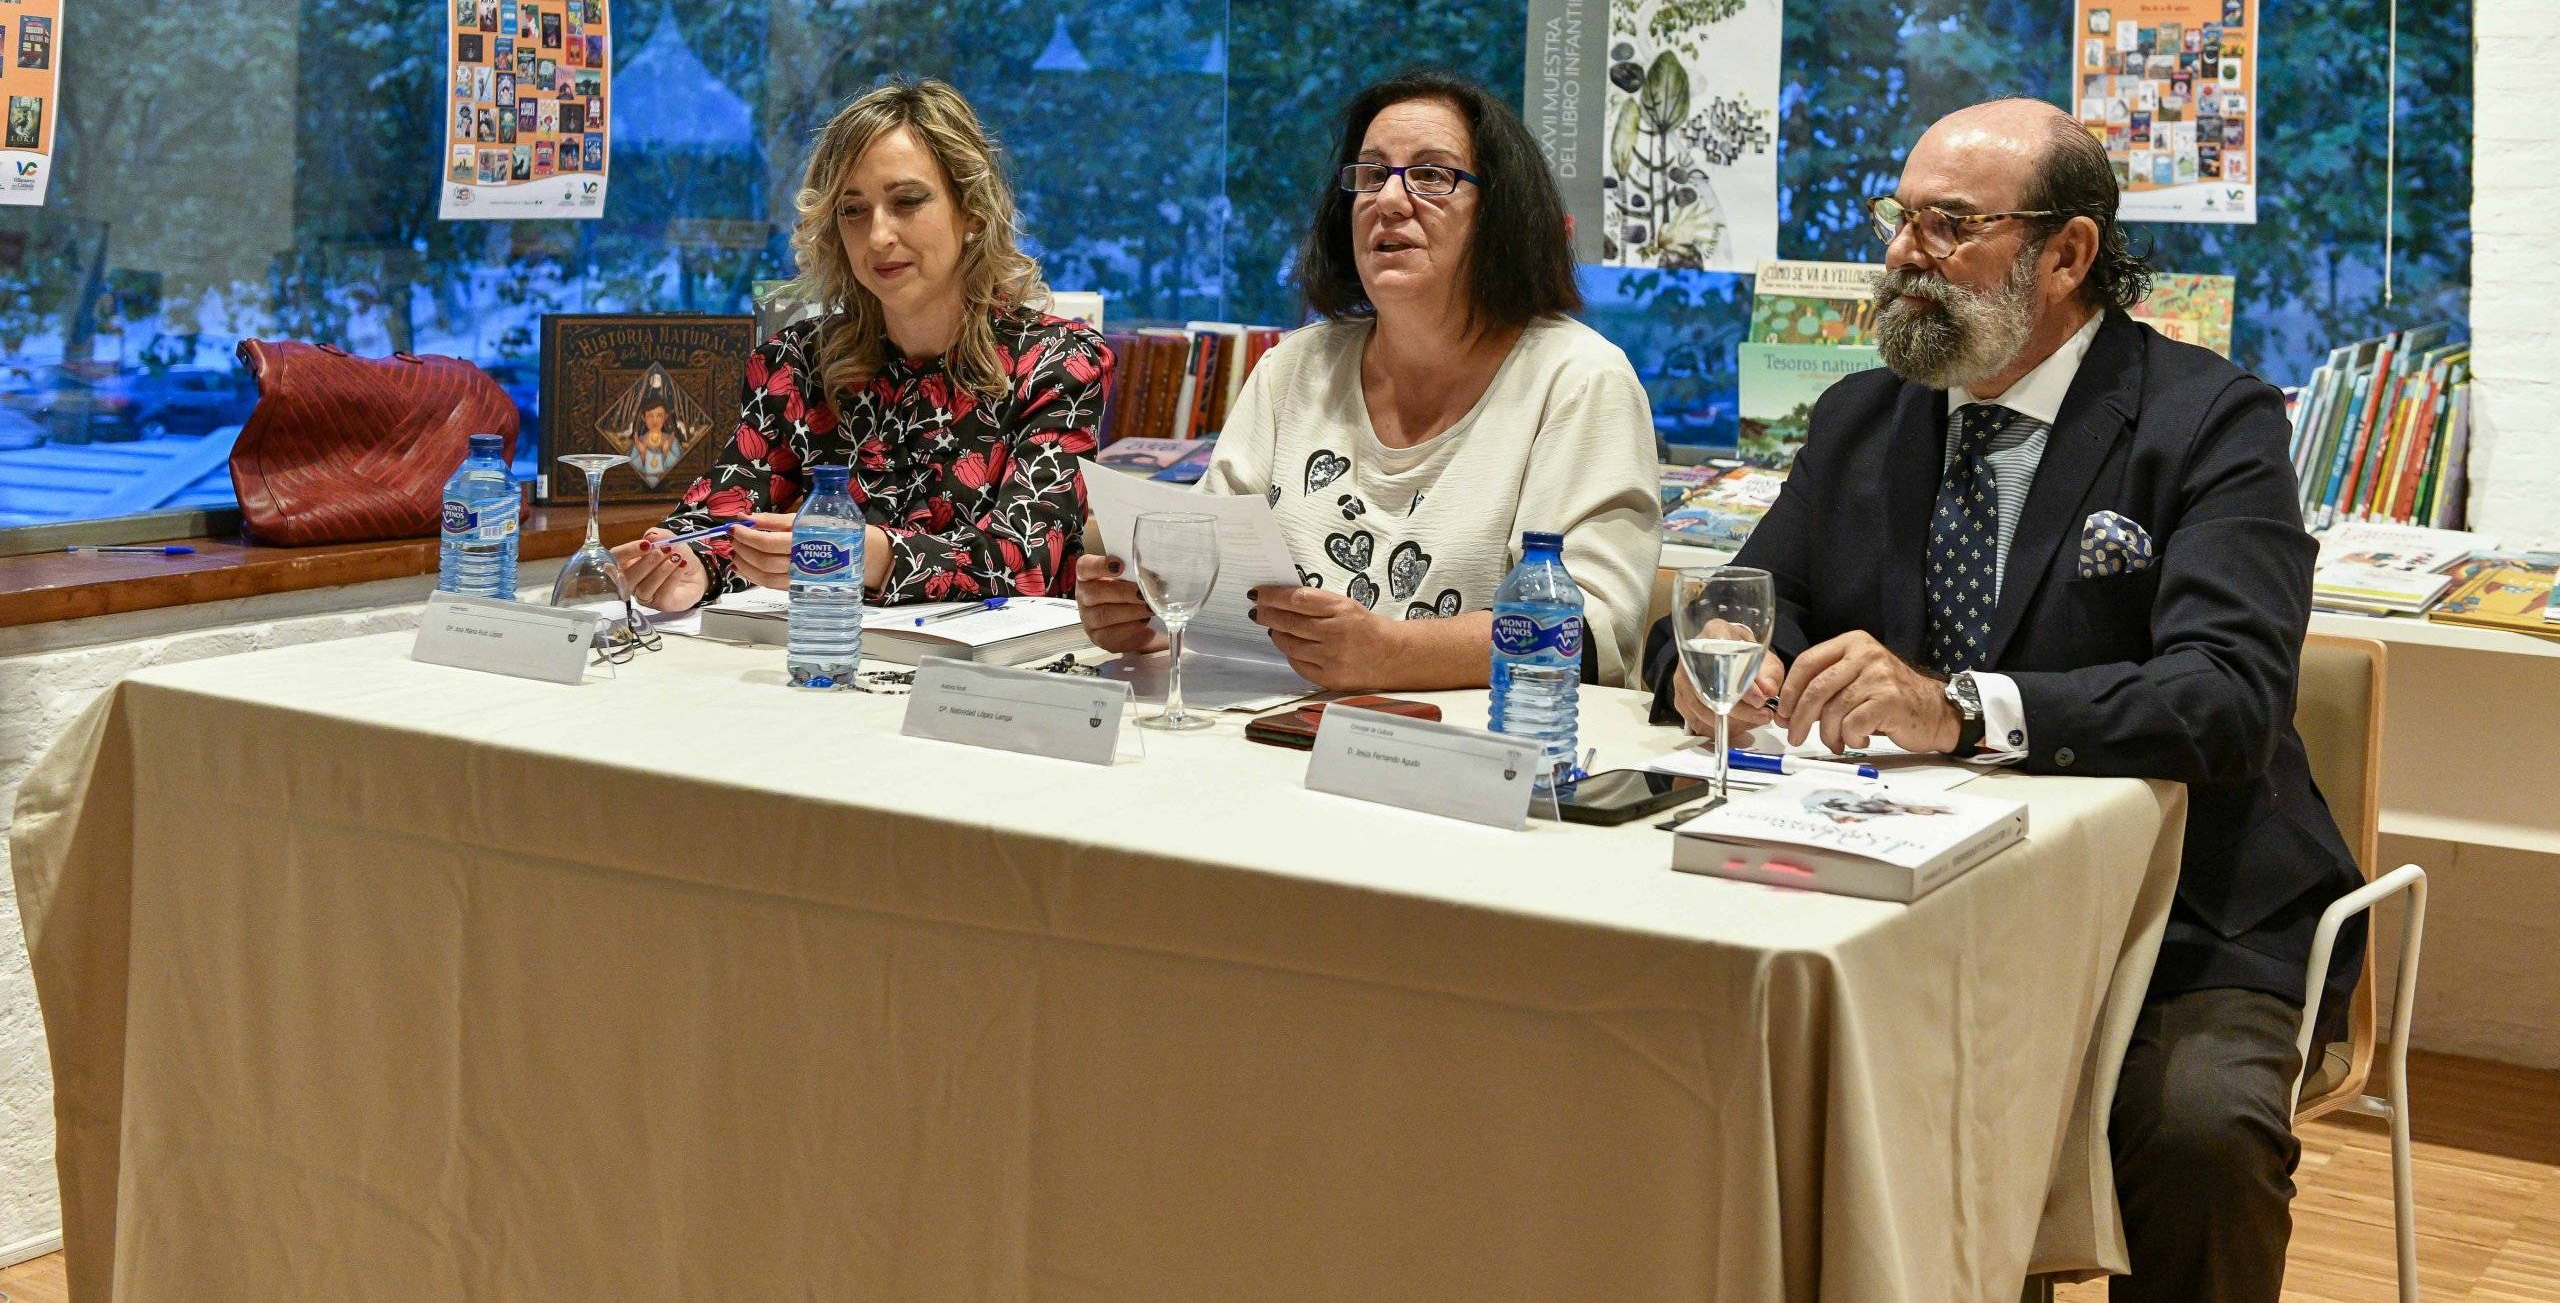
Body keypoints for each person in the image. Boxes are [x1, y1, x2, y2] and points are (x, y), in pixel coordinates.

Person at [1643, 97, 2361, 1303]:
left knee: (2198, 1134)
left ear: (2067, 253)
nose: (1901, 255)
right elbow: (1741, 596)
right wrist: (1722, 653)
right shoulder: (1864, 415)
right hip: (1916, 903)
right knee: (1729, 1063)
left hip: (2180, 915)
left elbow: (2228, 698)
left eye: (1947, 224)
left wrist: (1965, 709)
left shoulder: (2209, 419)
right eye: (1898, 218)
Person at [1075, 70, 1661, 689]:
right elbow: (1209, 559)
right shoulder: (1292, 369)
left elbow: (1596, 628)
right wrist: (1147, 610)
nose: (1390, 200)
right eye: (1372, 174)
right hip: (1269, 732)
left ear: (1501, 215)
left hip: (1480, 754)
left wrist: (1395, 654)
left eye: (1432, 175)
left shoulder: (1578, 381)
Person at [615, 77, 1110, 611]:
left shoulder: (1058, 363)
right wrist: (690, 567)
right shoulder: (794, 365)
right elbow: (724, 514)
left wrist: (867, 555)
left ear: (972, 212)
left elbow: (1031, 562)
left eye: (907, 202)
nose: (878, 236)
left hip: (979, 685)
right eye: (853, 210)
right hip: (820, 661)